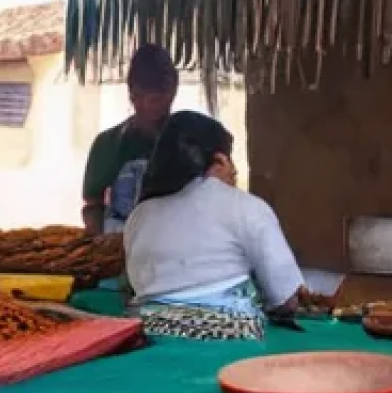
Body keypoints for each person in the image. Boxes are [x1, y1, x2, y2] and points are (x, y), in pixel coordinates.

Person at [124, 111, 304, 340]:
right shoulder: (247, 207)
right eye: (231, 160)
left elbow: (135, 283)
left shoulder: (139, 216)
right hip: (229, 344)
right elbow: (286, 300)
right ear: (219, 160)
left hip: (151, 340)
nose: (235, 171)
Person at [82, 44, 178, 235]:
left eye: (156, 98)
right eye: (139, 96)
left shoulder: (192, 142)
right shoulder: (107, 145)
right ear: (131, 93)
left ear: (172, 91)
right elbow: (93, 205)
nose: (147, 105)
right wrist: (102, 242)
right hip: (121, 252)